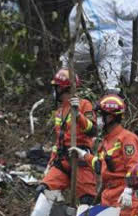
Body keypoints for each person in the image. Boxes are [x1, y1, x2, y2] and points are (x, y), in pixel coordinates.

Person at [70, 93, 138, 216]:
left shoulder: (127, 138)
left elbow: (133, 167)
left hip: (123, 195)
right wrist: (84, 155)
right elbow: (100, 165)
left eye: (101, 116)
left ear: (110, 117)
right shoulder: (107, 140)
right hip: (108, 194)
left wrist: (128, 190)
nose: (98, 120)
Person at [64, 0, 138, 91]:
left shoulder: (78, 4)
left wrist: (74, 45)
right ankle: (112, 105)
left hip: (88, 41)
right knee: (111, 83)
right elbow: (129, 13)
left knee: (66, 67)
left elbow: (73, 29)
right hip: (110, 41)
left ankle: (60, 99)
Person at [36, 68, 97, 204]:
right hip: (62, 161)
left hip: (80, 160)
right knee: (43, 190)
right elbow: (59, 142)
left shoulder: (84, 105)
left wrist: (78, 115)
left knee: (87, 202)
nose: (54, 91)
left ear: (63, 88)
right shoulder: (59, 111)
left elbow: (92, 130)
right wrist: (50, 164)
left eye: (56, 87)